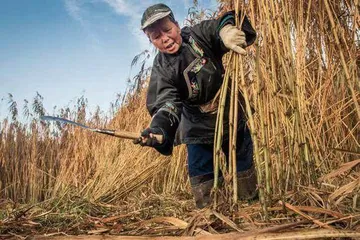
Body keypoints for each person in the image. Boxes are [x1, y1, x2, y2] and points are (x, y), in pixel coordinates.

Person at [133, 3, 257, 208]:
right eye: (156, 37)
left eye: (167, 30)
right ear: (151, 41)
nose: (165, 38)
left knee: (242, 163)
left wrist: (227, 32)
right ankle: (210, 216)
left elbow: (222, 23)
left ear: (177, 24)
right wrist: (159, 129)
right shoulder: (162, 68)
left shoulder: (198, 35)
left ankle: (250, 206)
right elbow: (166, 102)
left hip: (230, 112)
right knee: (201, 175)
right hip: (196, 124)